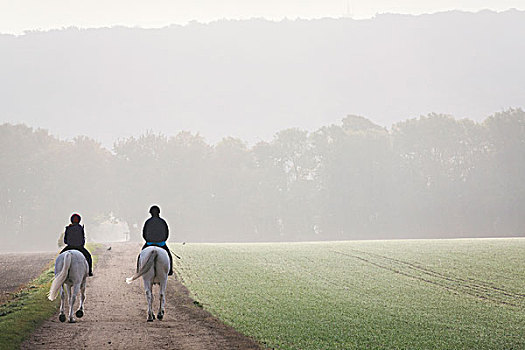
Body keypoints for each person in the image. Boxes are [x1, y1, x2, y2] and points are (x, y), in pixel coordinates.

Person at [140, 205, 173, 275]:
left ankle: (139, 269)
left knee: (141, 255)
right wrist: (162, 241)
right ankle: (170, 270)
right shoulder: (163, 222)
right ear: (159, 212)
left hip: (149, 243)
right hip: (161, 244)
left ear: (150, 213)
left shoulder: (148, 222)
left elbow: (144, 233)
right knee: (169, 256)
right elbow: (166, 233)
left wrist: (148, 240)